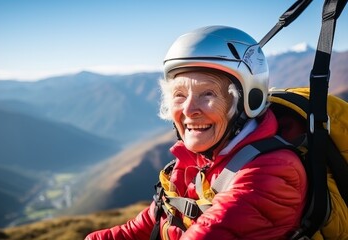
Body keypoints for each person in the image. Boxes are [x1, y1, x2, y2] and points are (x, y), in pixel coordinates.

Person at [85, 25, 308, 240]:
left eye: (208, 94)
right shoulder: (194, 161)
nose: (189, 110)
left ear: (250, 100)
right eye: (179, 95)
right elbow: (142, 228)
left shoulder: (270, 173)